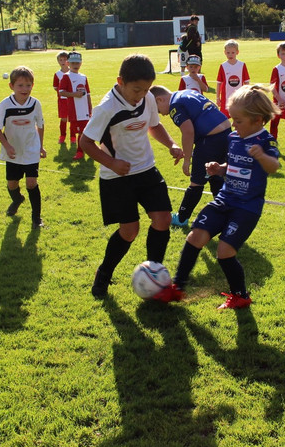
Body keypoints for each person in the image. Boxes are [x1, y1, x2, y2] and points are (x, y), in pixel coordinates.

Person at [79, 54, 184, 300]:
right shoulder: (106, 108)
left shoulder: (147, 98)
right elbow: (85, 141)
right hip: (117, 177)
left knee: (163, 219)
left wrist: (171, 144)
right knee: (129, 231)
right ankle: (104, 273)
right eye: (136, 89)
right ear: (120, 82)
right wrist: (112, 163)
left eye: (146, 89)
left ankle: (154, 275)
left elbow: (154, 125)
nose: (142, 94)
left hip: (146, 169)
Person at [169, 85, 281, 310]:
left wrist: (261, 156)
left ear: (257, 120)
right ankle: (177, 287)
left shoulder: (265, 141)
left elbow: (274, 166)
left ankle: (240, 296)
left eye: (238, 121)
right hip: (225, 199)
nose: (233, 124)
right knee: (195, 237)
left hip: (247, 208)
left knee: (224, 252)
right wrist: (220, 169)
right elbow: (235, 164)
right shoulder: (233, 137)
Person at [150, 85, 231, 228]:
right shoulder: (186, 92)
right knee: (216, 176)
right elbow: (210, 107)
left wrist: (187, 160)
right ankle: (226, 215)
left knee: (197, 181)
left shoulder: (174, 106)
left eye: (157, 110)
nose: (161, 114)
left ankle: (181, 218)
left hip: (210, 140)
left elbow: (188, 131)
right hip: (225, 134)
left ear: (159, 99)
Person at [0, 66, 46, 228]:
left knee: (31, 182)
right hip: (13, 152)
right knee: (12, 184)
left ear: (33, 85)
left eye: (28, 85)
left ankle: (36, 218)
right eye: (20, 85)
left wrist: (40, 146)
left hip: (31, 148)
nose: (25, 89)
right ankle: (17, 199)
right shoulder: (4, 105)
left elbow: (40, 125)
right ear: (11, 86)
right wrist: (7, 146)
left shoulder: (35, 103)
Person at [58, 52, 92, 160]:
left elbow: (88, 94)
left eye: (77, 63)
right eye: (73, 63)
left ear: (81, 63)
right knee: (79, 132)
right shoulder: (66, 77)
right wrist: (74, 95)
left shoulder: (83, 77)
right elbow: (61, 92)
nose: (75, 65)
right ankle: (80, 151)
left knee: (87, 131)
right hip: (74, 111)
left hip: (85, 110)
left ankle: (87, 151)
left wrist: (90, 108)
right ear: (68, 63)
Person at [216, 39, 249, 117]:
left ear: (237, 52)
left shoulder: (242, 65)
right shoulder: (223, 66)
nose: (230, 55)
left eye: (233, 52)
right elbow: (219, 83)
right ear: (224, 53)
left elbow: (247, 83)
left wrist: (247, 96)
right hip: (225, 99)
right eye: (228, 53)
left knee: (240, 118)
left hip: (239, 99)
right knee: (223, 119)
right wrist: (218, 97)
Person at [53, 51, 71, 146]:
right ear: (58, 61)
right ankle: (62, 135)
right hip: (62, 100)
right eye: (61, 60)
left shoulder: (72, 72)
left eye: (65, 59)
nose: (63, 61)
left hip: (72, 99)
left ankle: (73, 137)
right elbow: (55, 87)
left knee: (72, 119)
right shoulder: (57, 74)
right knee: (64, 118)